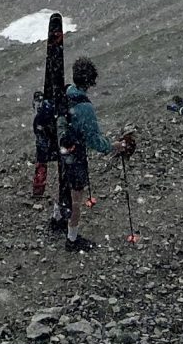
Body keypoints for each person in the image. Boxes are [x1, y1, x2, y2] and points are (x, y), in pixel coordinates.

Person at [57, 56, 135, 253]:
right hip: (75, 154)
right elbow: (94, 140)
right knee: (76, 196)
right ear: (90, 81)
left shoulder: (66, 92)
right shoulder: (85, 107)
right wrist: (114, 146)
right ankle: (72, 240)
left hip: (62, 150)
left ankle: (56, 217)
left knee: (62, 184)